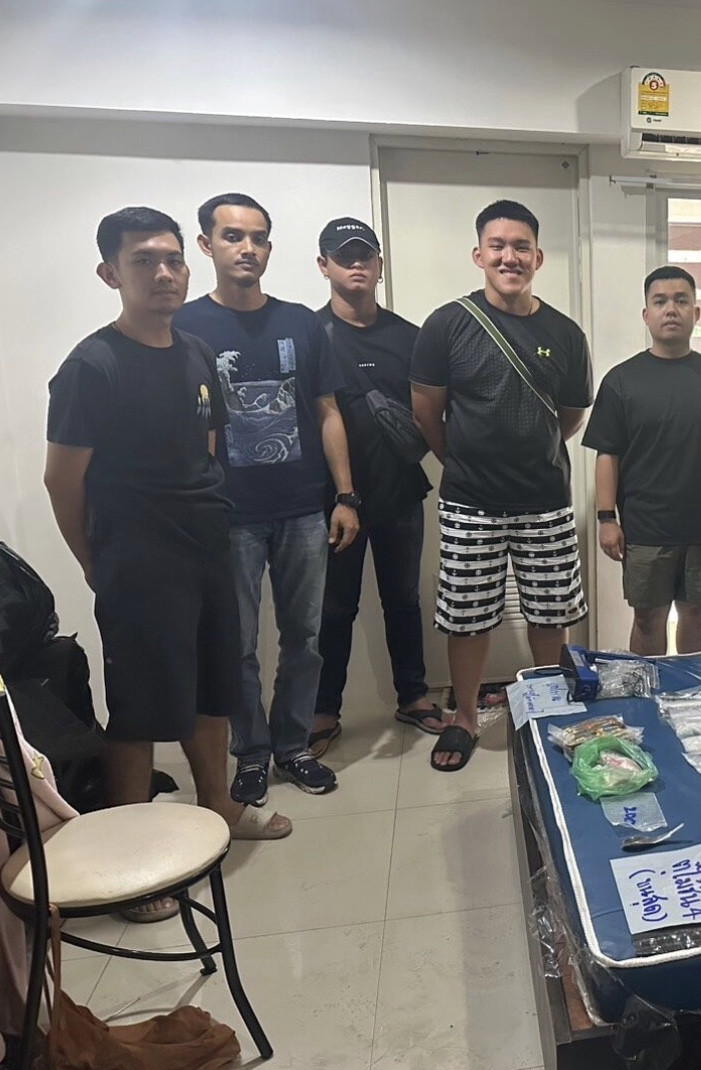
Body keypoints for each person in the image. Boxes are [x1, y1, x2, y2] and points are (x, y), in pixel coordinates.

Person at [44, 207, 291, 921]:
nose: (162, 273)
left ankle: (219, 809)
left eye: (172, 259)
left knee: (215, 689)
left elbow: (205, 448)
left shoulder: (196, 352)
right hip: (138, 560)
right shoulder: (92, 367)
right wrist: (95, 561)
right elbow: (61, 480)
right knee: (141, 710)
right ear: (110, 273)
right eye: (143, 260)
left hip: (207, 546)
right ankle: (132, 867)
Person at [174, 193, 356, 805]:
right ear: (207, 245)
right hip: (228, 515)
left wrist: (346, 496)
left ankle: (293, 746)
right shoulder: (186, 327)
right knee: (238, 645)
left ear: (270, 249)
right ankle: (250, 753)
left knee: (306, 637)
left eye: (257, 238)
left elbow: (327, 411)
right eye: (232, 236)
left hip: (303, 508)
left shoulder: (301, 323)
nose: (246, 248)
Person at [411, 200, 592, 772]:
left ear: (538, 257)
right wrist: (463, 460)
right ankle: (466, 717)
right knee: (467, 619)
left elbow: (570, 415)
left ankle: (545, 708)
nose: (509, 257)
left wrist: (530, 450)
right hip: (470, 502)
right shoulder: (447, 325)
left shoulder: (565, 333)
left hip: (545, 499)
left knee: (550, 615)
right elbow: (427, 412)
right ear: (479, 255)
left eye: (521, 247)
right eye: (498, 246)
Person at [309, 217, 441, 757]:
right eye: (344, 256)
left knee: (403, 601)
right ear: (324, 266)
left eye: (365, 255)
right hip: (332, 501)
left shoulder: (411, 337)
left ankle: (413, 696)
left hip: (400, 494)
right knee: (334, 608)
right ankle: (323, 710)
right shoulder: (309, 335)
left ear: (380, 265)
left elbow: (434, 411)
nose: (356, 265)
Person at [584, 267, 701, 656]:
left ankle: (691, 685)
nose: (671, 309)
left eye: (681, 301)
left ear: (697, 313)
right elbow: (608, 454)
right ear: (646, 315)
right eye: (660, 302)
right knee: (647, 619)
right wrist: (607, 519)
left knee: (697, 615)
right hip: (645, 529)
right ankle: (648, 688)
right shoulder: (621, 382)